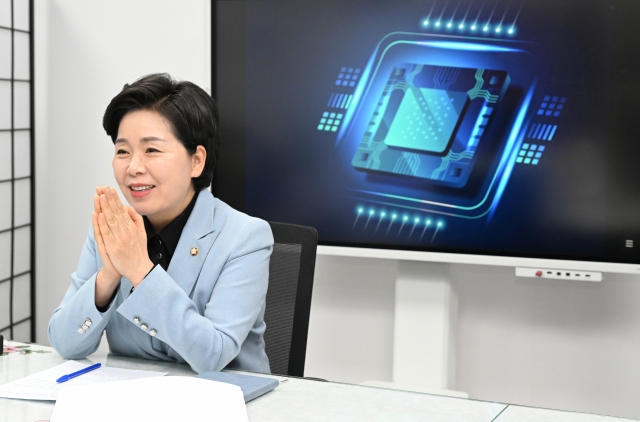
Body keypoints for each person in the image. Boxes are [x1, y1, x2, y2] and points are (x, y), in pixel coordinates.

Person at [48, 74, 273, 374]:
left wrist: (139, 270)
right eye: (122, 151)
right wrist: (108, 276)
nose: (133, 167)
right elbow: (65, 343)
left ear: (197, 161)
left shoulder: (246, 237)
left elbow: (213, 356)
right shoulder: (113, 229)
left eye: (152, 150)